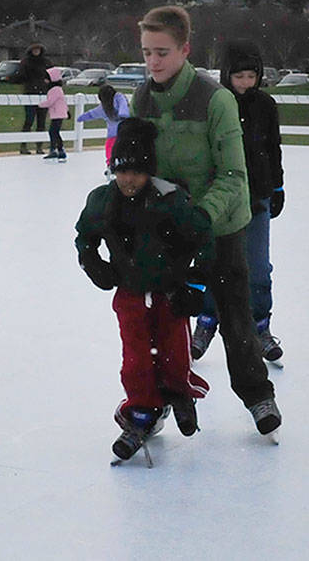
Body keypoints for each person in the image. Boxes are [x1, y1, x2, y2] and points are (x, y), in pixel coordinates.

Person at [132, 5, 280, 436]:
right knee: (160, 317)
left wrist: (199, 216)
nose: (153, 62)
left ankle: (257, 395)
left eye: (162, 51)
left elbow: (235, 175)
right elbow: (139, 165)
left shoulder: (216, 99)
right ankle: (156, 398)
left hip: (220, 225)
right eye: (146, 53)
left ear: (184, 49)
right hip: (169, 225)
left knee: (235, 314)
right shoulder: (143, 98)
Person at [75, 118, 212, 462]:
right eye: (122, 172)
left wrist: (194, 285)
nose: (128, 179)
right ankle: (140, 411)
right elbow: (84, 237)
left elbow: (201, 237)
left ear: (149, 172)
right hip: (130, 291)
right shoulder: (103, 201)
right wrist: (95, 265)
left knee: (175, 352)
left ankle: (178, 392)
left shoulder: (169, 199)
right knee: (134, 356)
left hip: (169, 292)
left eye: (136, 172)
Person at [193, 41, 286, 364]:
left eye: (251, 76)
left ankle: (261, 327)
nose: (246, 82)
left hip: (257, 195)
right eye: (240, 76)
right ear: (227, 76)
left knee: (258, 267)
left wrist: (278, 186)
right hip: (222, 196)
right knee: (215, 263)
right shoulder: (217, 103)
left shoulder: (265, 105)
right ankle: (206, 322)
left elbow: (273, 147)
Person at [76, 83, 131, 167]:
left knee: (110, 148)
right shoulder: (117, 98)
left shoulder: (106, 106)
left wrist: (81, 118)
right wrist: (123, 114)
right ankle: (119, 162)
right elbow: (123, 104)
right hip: (125, 130)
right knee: (123, 147)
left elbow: (91, 114)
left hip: (115, 133)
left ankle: (111, 162)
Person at [13, 42, 52, 154]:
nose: (36, 51)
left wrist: (48, 82)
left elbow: (52, 75)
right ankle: (23, 145)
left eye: (38, 49)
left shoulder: (46, 62)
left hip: (43, 93)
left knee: (41, 121)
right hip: (30, 93)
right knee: (29, 120)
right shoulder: (26, 62)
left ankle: (39, 146)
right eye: (34, 49)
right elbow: (21, 76)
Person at [39, 66, 68, 160]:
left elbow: (50, 102)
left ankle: (54, 149)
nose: (45, 81)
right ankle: (60, 150)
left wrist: (40, 105)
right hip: (59, 113)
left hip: (57, 114)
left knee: (53, 131)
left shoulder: (54, 90)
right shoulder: (58, 89)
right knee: (55, 132)